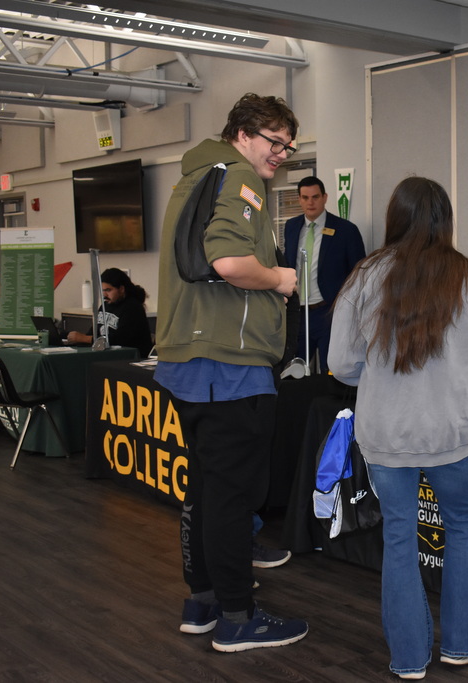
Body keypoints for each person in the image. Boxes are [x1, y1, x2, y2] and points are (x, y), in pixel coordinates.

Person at [330, 177, 468, 680]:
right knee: (462, 530)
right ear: (444, 220)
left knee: (401, 538)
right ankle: (464, 643)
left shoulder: (365, 275)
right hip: (450, 433)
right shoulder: (467, 276)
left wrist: (380, 377)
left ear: (395, 217)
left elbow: (341, 363)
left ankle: (408, 660)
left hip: (384, 435)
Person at [153, 92, 307, 652]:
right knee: (231, 497)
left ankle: (205, 601)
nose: (281, 156)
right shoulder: (240, 179)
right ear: (243, 133)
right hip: (228, 363)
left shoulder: (197, 174)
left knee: (205, 490)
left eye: (288, 147)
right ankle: (240, 616)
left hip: (191, 358)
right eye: (274, 142)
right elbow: (229, 263)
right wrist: (280, 278)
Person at [283, 175, 366, 373]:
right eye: (305, 198)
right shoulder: (291, 227)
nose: (310, 202)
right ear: (299, 199)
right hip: (298, 312)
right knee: (294, 370)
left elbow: (359, 274)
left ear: (325, 197)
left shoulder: (346, 230)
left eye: (315, 197)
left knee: (331, 370)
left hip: (328, 312)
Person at [66, 268, 152, 356]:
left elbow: (121, 339)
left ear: (121, 289)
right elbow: (94, 332)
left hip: (129, 358)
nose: (104, 294)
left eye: (108, 290)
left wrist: (85, 339)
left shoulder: (133, 308)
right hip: (107, 355)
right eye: (102, 290)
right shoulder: (104, 306)